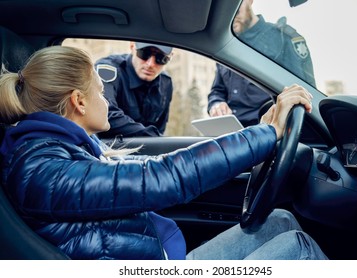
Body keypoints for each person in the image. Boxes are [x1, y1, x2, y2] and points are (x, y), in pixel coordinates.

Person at [0, 45, 327, 260]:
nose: (106, 101)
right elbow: (160, 177)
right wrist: (265, 135)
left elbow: (144, 168)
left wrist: (261, 135)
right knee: (298, 249)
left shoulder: (55, 151)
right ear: (79, 101)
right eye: (100, 93)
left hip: (161, 261)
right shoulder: (43, 169)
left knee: (280, 221)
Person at [208, 0, 315, 127]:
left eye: (234, 8)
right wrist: (216, 104)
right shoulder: (224, 47)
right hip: (231, 134)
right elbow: (217, 91)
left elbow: (304, 94)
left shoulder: (281, 40)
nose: (230, 16)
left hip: (267, 132)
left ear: (249, 1)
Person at [95, 42, 173, 138]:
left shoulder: (165, 83)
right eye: (144, 54)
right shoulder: (108, 69)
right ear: (132, 47)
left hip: (149, 149)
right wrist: (151, 135)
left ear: (170, 57)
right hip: (109, 148)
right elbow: (105, 114)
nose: (150, 64)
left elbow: (160, 128)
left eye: (160, 58)